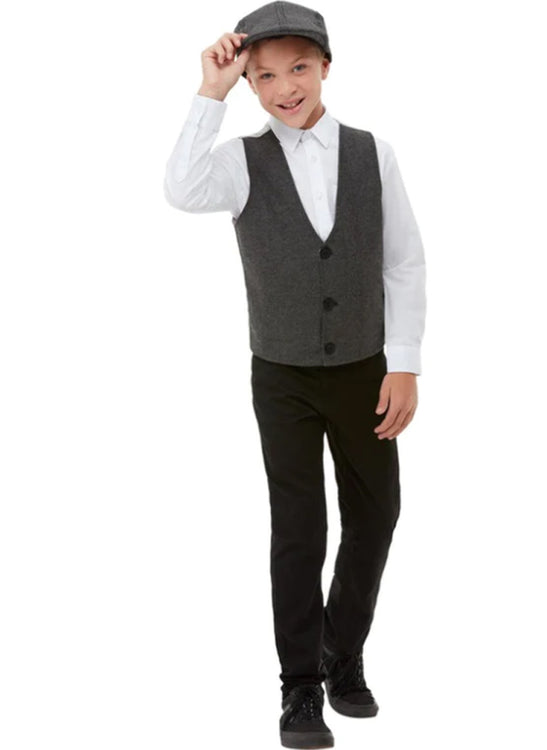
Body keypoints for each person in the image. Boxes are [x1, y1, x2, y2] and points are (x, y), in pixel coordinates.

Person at [163, 2, 426, 747]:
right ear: (250, 83)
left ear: (326, 67)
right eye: (266, 75)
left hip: (365, 370)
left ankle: (343, 653)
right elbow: (180, 189)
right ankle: (301, 685)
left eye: (299, 68)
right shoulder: (239, 162)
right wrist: (210, 91)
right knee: (300, 528)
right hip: (281, 375)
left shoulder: (374, 153)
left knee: (377, 514)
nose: (286, 87)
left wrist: (404, 363)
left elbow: (404, 261)